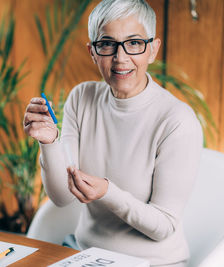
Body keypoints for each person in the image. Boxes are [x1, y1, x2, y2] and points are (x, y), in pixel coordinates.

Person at [23, 0, 203, 266]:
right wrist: (49, 143)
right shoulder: (81, 98)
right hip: (85, 254)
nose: (120, 57)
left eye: (134, 43)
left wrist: (108, 192)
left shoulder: (177, 120)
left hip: (153, 263)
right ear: (93, 52)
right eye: (107, 44)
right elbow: (61, 197)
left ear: (152, 50)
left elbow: (163, 226)